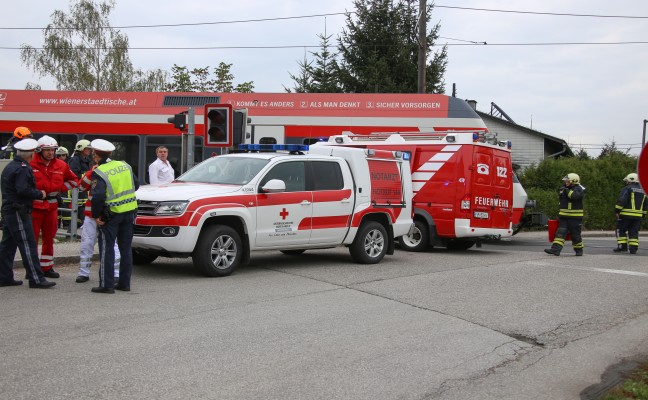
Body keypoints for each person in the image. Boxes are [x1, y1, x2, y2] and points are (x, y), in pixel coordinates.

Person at [0, 138, 56, 288]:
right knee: (28, 244)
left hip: (9, 209)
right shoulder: (23, 168)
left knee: (7, 245)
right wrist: (39, 194)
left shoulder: (12, 166)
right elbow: (23, 190)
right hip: (19, 210)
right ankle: (36, 279)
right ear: (30, 154)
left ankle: (4, 276)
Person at [89, 139, 139, 293]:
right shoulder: (125, 165)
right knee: (126, 249)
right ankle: (125, 284)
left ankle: (107, 284)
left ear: (95, 155)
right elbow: (136, 185)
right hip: (130, 212)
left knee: (107, 249)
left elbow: (97, 197)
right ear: (110, 153)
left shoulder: (99, 172)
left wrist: (96, 215)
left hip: (110, 216)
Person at [31, 136, 79, 278]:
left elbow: (74, 180)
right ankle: (32, 269)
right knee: (31, 239)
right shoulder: (31, 164)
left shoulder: (61, 165)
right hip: (34, 207)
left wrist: (61, 189)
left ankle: (47, 267)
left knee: (49, 238)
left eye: (52, 150)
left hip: (51, 207)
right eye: (47, 150)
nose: (50, 153)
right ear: (40, 150)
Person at [75, 160, 121, 283]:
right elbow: (81, 186)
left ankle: (115, 273)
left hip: (107, 215)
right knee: (87, 243)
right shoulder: (93, 172)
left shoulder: (113, 173)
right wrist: (91, 172)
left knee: (112, 244)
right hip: (91, 215)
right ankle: (83, 273)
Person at [544, 173, 585, 256]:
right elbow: (561, 203)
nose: (566, 182)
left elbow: (574, 196)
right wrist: (559, 214)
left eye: (568, 181)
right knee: (560, 233)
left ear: (574, 181)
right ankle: (555, 249)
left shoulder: (579, 189)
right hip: (564, 217)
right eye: (566, 181)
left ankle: (579, 250)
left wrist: (566, 190)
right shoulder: (564, 189)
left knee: (575, 235)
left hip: (575, 218)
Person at [613, 173, 647, 254]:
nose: (626, 182)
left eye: (627, 181)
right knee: (634, 232)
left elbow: (622, 200)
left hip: (625, 215)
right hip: (638, 216)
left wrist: (617, 211)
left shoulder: (627, 189)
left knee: (622, 230)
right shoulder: (644, 190)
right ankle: (633, 249)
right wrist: (643, 215)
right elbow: (646, 205)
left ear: (631, 180)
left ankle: (623, 247)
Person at [68, 139, 92, 227]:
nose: (89, 150)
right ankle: (74, 231)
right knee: (80, 209)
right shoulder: (75, 160)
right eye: (87, 148)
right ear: (81, 149)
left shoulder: (86, 159)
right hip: (78, 188)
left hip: (84, 188)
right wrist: (87, 176)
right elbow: (74, 174)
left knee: (80, 209)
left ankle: (72, 231)